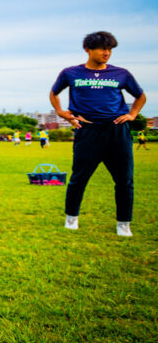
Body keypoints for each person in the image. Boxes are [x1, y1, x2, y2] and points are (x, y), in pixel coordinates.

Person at [49, 31, 146, 237]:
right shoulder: (71, 73)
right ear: (88, 49)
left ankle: (123, 224)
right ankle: (71, 219)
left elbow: (140, 95)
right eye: (102, 48)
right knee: (79, 178)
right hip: (87, 131)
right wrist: (61, 113)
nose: (107, 53)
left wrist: (133, 114)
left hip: (116, 131)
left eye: (110, 49)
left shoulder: (121, 73)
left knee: (124, 180)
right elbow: (54, 92)